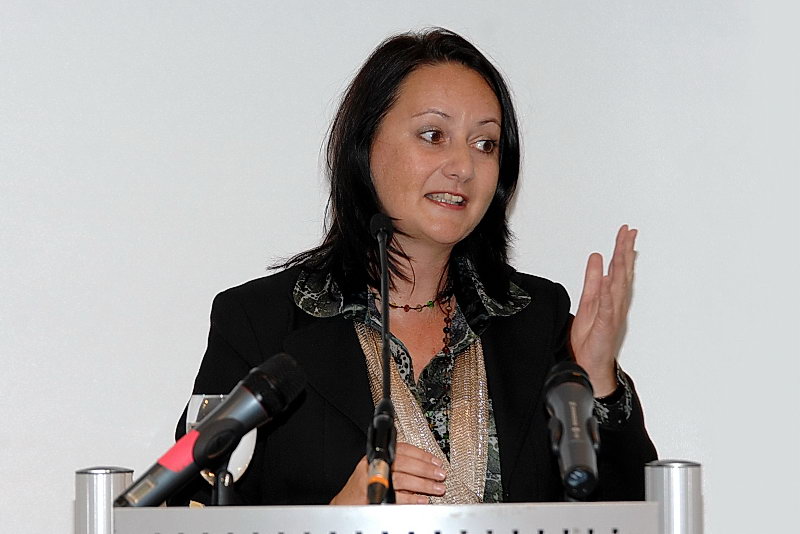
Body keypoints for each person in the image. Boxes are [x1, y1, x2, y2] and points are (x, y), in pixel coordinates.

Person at [170, 27, 656, 507]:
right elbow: (190, 510)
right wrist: (336, 520)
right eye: (433, 135)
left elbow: (635, 511)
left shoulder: (537, 321)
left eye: (485, 143)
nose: (463, 166)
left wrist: (596, 378)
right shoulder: (258, 324)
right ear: (366, 145)